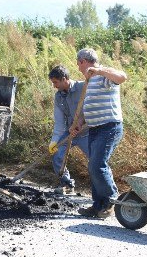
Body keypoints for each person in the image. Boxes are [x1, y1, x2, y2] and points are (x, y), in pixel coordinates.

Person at [70, 48, 127, 219]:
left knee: (97, 165)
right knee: (94, 166)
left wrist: (99, 70)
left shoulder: (104, 76)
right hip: (94, 129)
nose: (78, 68)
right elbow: (88, 106)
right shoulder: (88, 81)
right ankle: (98, 206)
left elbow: (122, 77)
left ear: (83, 61)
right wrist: (79, 123)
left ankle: (111, 199)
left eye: (78, 64)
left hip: (109, 127)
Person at [48, 65, 89, 194]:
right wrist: (54, 141)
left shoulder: (83, 87)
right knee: (57, 153)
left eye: (55, 82)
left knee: (96, 161)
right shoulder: (59, 97)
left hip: (88, 132)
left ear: (65, 79)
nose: (54, 86)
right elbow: (60, 122)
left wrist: (82, 123)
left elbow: (95, 109)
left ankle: (103, 193)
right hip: (70, 132)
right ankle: (66, 183)